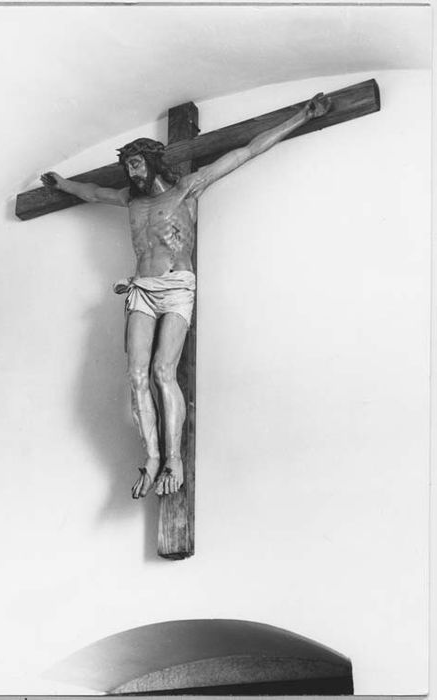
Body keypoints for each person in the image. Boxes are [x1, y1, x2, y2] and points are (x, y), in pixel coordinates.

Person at [41, 92, 331, 499]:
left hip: (177, 287)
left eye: (136, 163)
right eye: (127, 165)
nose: (131, 171)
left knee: (163, 371)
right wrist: (62, 183)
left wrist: (302, 115)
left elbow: (246, 151)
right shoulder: (129, 200)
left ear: (152, 161)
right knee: (136, 375)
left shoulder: (186, 189)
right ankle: (152, 459)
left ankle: (173, 459)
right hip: (142, 289)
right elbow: (91, 192)